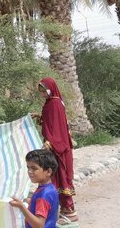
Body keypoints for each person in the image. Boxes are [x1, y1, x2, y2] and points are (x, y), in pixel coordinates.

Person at [33, 77, 78, 224]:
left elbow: (58, 129)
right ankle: (63, 211)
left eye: (44, 90)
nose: (42, 94)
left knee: (61, 177)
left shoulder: (55, 103)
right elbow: (53, 122)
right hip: (55, 147)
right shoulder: (52, 102)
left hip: (58, 148)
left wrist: (50, 142)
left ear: (51, 88)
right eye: (41, 91)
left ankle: (69, 212)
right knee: (55, 177)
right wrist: (40, 117)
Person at [10, 149, 60, 228]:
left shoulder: (44, 195)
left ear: (48, 172)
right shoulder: (50, 189)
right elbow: (52, 212)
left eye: (34, 168)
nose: (29, 171)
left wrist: (21, 207)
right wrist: (31, 201)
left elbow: (39, 225)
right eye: (28, 168)